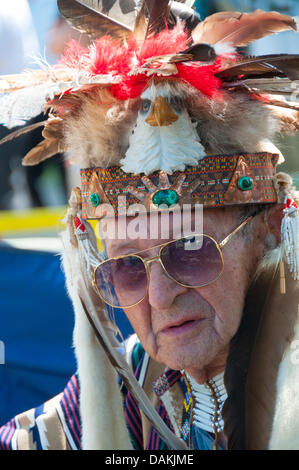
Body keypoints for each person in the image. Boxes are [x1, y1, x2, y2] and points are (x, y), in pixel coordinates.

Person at [1, 1, 299, 450]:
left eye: (192, 250)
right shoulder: (131, 380)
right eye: (127, 268)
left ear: (271, 227)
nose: (159, 296)